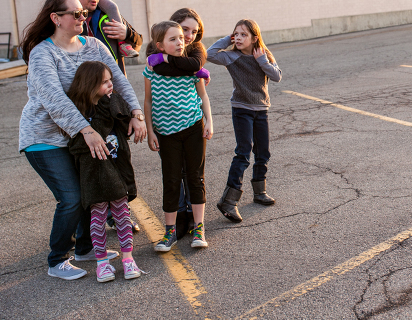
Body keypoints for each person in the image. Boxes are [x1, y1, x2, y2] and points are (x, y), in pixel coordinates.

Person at [19, 0, 146, 280]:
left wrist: (136, 113)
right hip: (45, 136)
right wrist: (86, 130)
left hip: (81, 136)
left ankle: (86, 248)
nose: (82, 18)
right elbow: (53, 98)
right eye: (75, 14)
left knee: (93, 189)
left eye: (83, 14)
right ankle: (57, 260)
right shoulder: (43, 52)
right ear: (56, 18)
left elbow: (118, 79)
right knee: (72, 198)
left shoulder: (94, 46)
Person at [67, 61, 146, 282]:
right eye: (104, 82)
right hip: (94, 175)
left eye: (111, 79)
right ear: (90, 84)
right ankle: (102, 263)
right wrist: (103, 116)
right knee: (98, 218)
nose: (111, 84)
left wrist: (131, 116)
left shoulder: (114, 100)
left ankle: (128, 259)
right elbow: (76, 145)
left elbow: (123, 128)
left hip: (117, 168)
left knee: (122, 215)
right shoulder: (79, 111)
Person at [143, 21, 214, 251]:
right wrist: (150, 131)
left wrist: (209, 122)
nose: (179, 42)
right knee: (171, 180)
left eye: (181, 39)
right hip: (165, 133)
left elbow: (203, 96)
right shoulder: (151, 70)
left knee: (195, 177)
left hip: (193, 127)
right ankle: (170, 231)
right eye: (172, 39)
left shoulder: (192, 69)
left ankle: (199, 227)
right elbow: (148, 101)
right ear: (160, 45)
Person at [207, 19, 282, 223]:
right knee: (243, 152)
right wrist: (226, 40)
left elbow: (277, 76)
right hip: (241, 109)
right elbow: (209, 54)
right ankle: (229, 201)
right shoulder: (231, 56)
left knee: (263, 152)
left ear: (254, 38)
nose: (238, 38)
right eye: (236, 34)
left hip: (261, 109)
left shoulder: (263, 55)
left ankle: (260, 191)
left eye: (243, 35)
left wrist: (262, 61)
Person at [67, 0, 142, 75]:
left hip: (114, 89)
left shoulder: (109, 15)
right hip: (81, 89)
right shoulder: (62, 22)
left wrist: (127, 34)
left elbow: (138, 45)